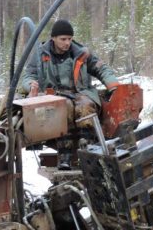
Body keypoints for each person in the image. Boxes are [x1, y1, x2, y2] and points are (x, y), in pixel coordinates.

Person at [21, 19, 120, 169]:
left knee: (85, 107)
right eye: (63, 39)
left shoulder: (82, 53)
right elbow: (29, 74)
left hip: (80, 92)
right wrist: (30, 85)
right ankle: (65, 155)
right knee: (62, 107)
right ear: (53, 38)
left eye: (69, 39)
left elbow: (102, 68)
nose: (67, 42)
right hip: (55, 95)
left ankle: (87, 150)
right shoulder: (41, 54)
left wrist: (114, 86)